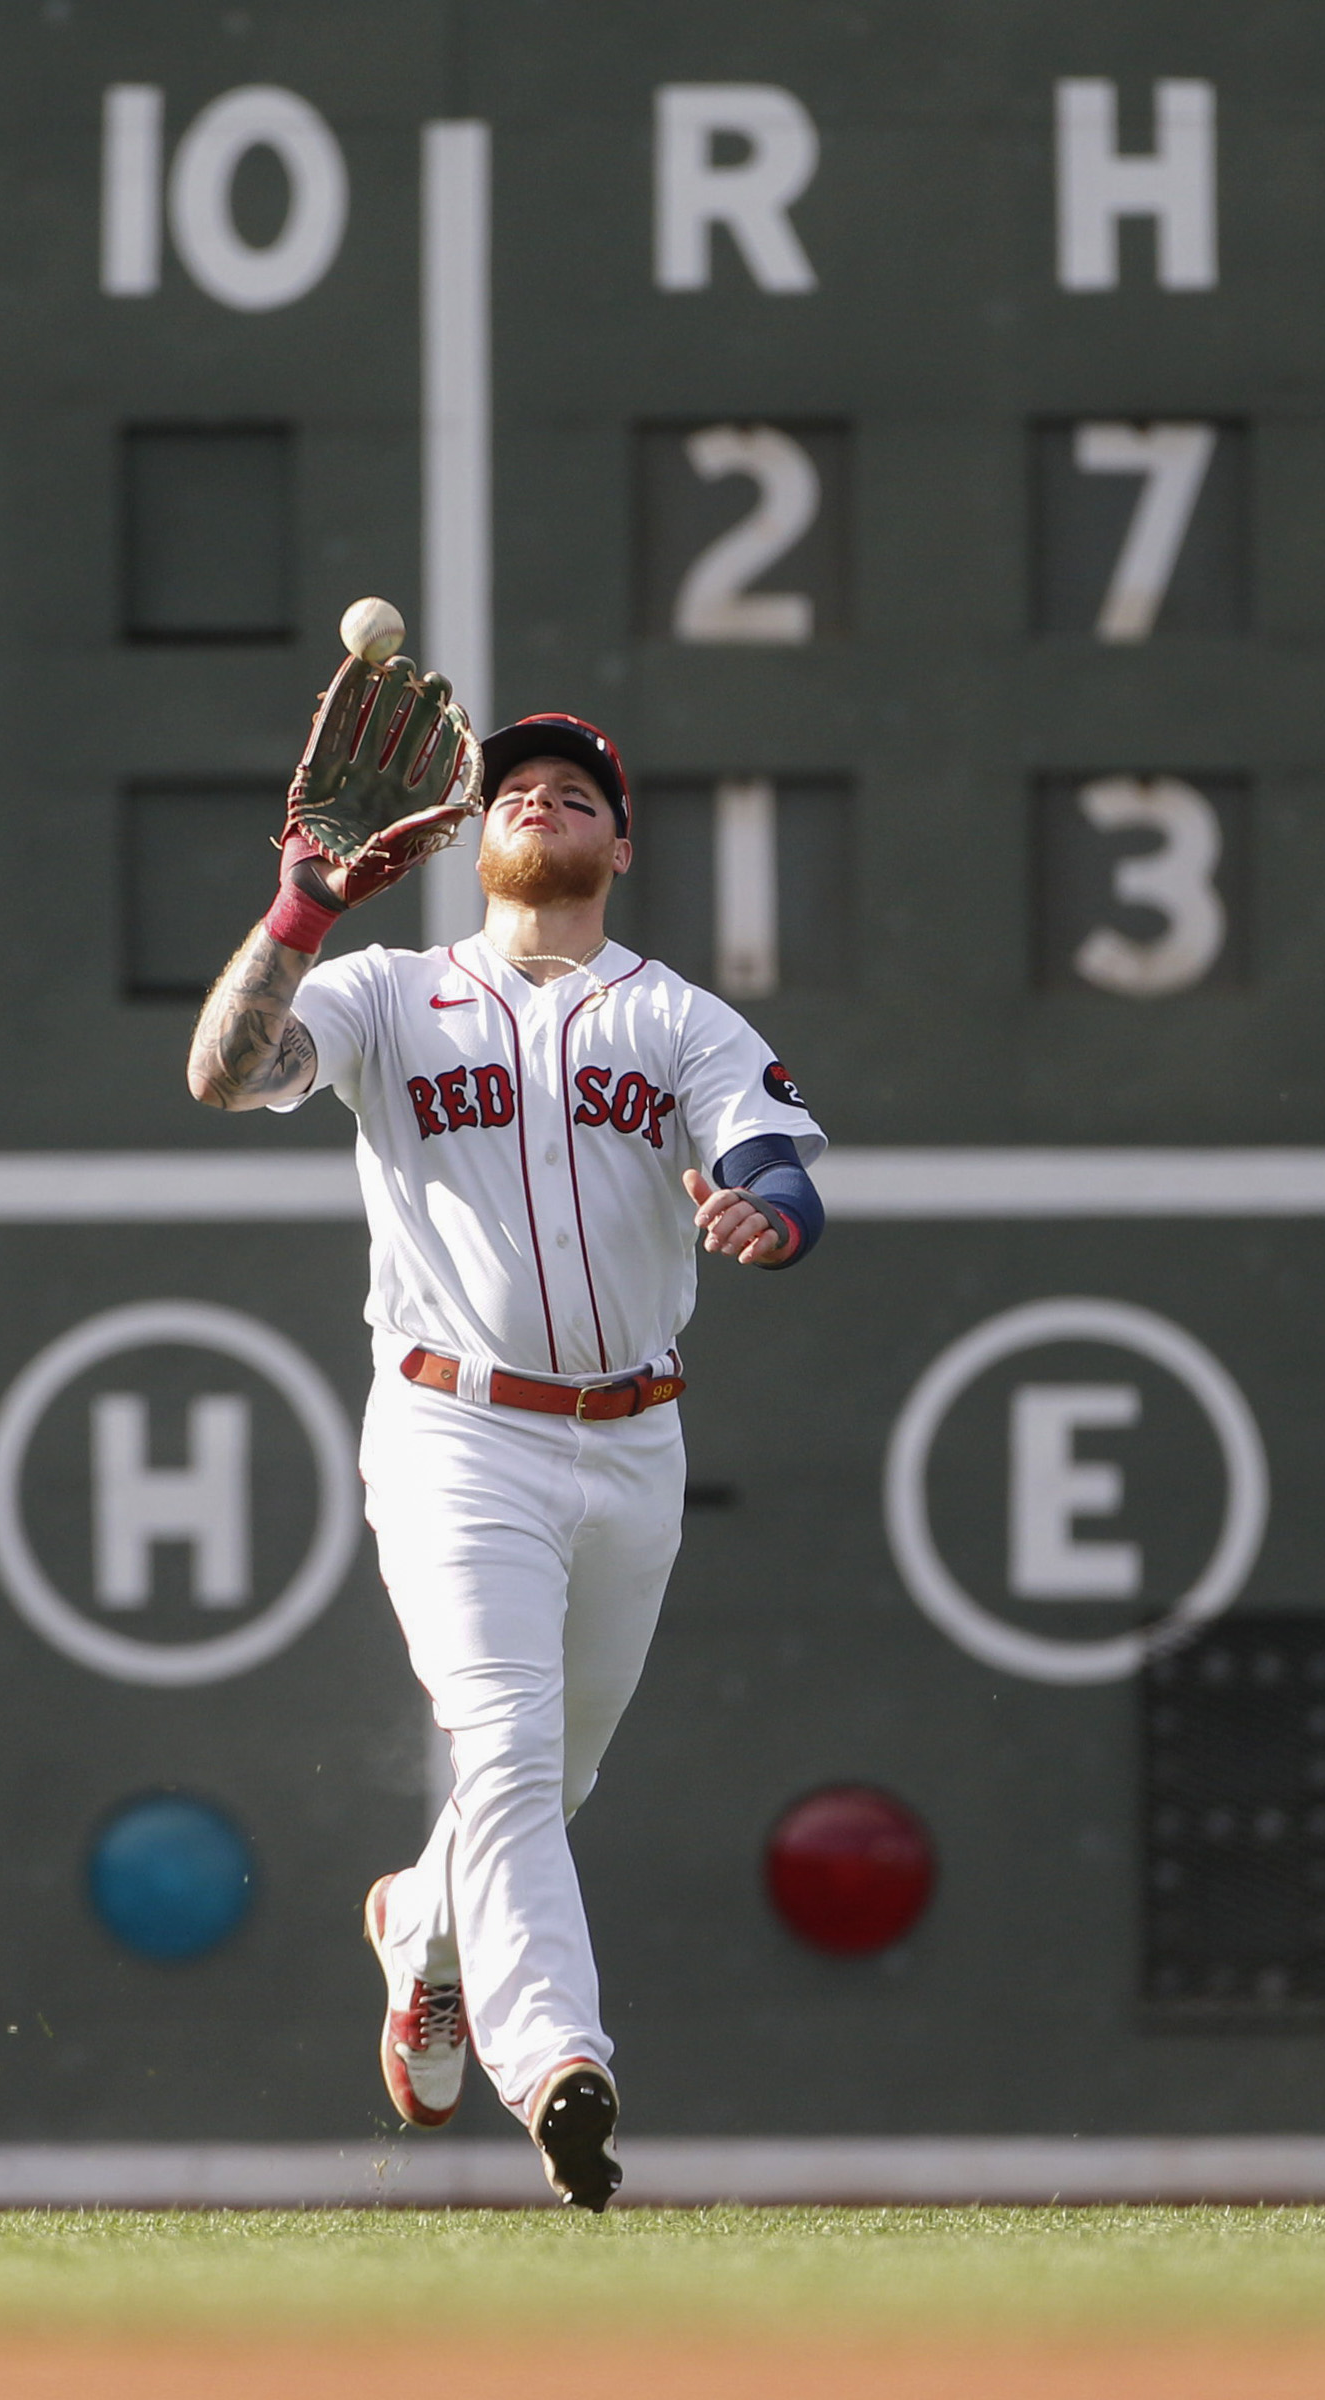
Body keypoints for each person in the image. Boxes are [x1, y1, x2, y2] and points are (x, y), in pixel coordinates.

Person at [183, 671, 826, 2211]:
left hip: (631, 1445)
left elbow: (779, 1169)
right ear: (476, 839)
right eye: (516, 787)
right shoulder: (391, 995)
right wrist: (298, 910)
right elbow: (224, 1070)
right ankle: (562, 2069)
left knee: (551, 1776)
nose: (540, 798)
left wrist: (764, 1213)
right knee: (516, 1752)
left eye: (576, 791)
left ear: (619, 843)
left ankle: (423, 1928)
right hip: (452, 1429)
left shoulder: (675, 1016)